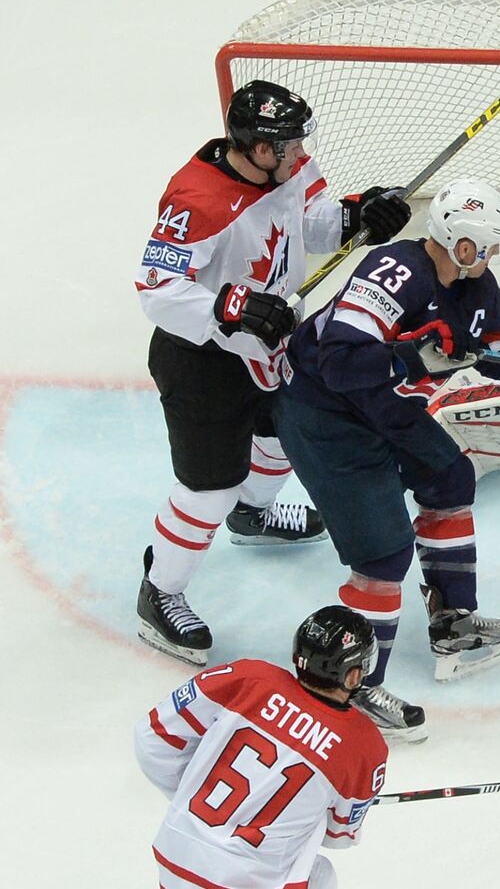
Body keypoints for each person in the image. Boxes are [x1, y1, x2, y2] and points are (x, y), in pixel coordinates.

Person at [274, 178, 500, 741]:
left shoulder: (478, 287)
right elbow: (341, 364)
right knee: (383, 556)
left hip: (386, 408)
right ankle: (356, 685)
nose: (493, 256)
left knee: (450, 476)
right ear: (461, 244)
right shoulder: (393, 273)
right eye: (487, 246)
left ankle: (453, 620)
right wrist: (409, 355)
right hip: (326, 416)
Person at [133, 79, 411, 666]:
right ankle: (160, 591)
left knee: (284, 431)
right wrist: (224, 306)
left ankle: (254, 512)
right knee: (209, 488)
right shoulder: (196, 200)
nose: (298, 152)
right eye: (286, 145)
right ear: (258, 148)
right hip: (203, 358)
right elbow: (156, 291)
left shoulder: (287, 168)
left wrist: (361, 216)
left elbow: (312, 224)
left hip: (270, 341)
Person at [134, 605, 387, 889]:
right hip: (246, 880)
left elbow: (152, 737)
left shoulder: (248, 677)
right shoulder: (363, 745)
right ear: (353, 675)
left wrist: (199, 795)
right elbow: (339, 836)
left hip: (175, 853)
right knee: (320, 876)